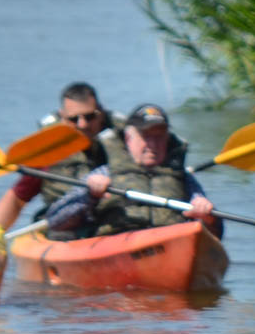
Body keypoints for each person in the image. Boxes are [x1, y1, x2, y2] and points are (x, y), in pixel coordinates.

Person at [0, 82, 190, 231]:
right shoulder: (51, 152)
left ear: (100, 113)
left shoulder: (124, 144)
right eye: (74, 119)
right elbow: (18, 197)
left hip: (115, 223)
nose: (83, 125)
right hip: (66, 227)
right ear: (63, 118)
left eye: (89, 116)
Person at [43, 103, 218, 240]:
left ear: (168, 139)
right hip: (119, 244)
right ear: (128, 138)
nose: (153, 145)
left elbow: (216, 233)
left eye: (159, 137)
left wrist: (207, 216)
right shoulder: (105, 173)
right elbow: (55, 220)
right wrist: (90, 196)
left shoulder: (183, 178)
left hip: (171, 242)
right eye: (146, 136)